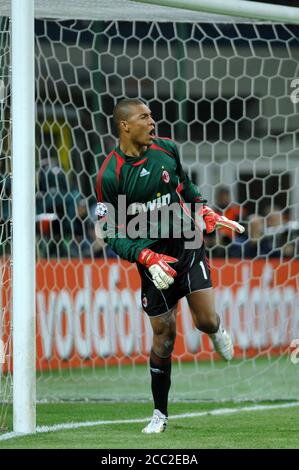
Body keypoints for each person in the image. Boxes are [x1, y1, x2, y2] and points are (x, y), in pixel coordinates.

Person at [95, 98, 245, 434]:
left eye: (151, 115)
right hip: (151, 258)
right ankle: (159, 414)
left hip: (187, 242)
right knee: (164, 337)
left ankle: (216, 329)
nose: (152, 121)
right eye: (144, 117)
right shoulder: (110, 175)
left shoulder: (167, 149)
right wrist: (145, 256)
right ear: (125, 125)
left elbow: (186, 188)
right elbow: (111, 234)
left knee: (204, 320)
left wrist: (204, 211)